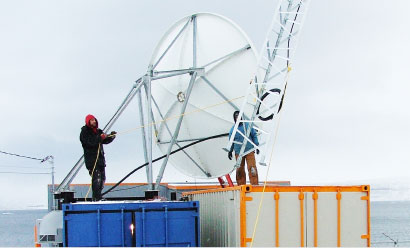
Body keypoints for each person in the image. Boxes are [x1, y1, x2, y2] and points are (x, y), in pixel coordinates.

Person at [80, 114, 116, 201]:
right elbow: (90, 142)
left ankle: (98, 196)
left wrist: (111, 136)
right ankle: (96, 197)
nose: (94, 121)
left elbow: (104, 140)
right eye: (92, 120)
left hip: (100, 160)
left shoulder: (98, 131)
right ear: (88, 122)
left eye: (94, 120)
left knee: (102, 179)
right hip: (92, 160)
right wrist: (100, 138)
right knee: (97, 178)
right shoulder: (84, 132)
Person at [228, 111, 259, 185]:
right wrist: (230, 151)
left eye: (239, 116)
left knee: (252, 169)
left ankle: (254, 185)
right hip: (239, 152)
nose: (237, 117)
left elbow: (254, 135)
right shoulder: (233, 130)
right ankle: (241, 186)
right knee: (239, 170)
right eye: (236, 116)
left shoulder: (248, 125)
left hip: (249, 150)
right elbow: (231, 142)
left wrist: (256, 146)